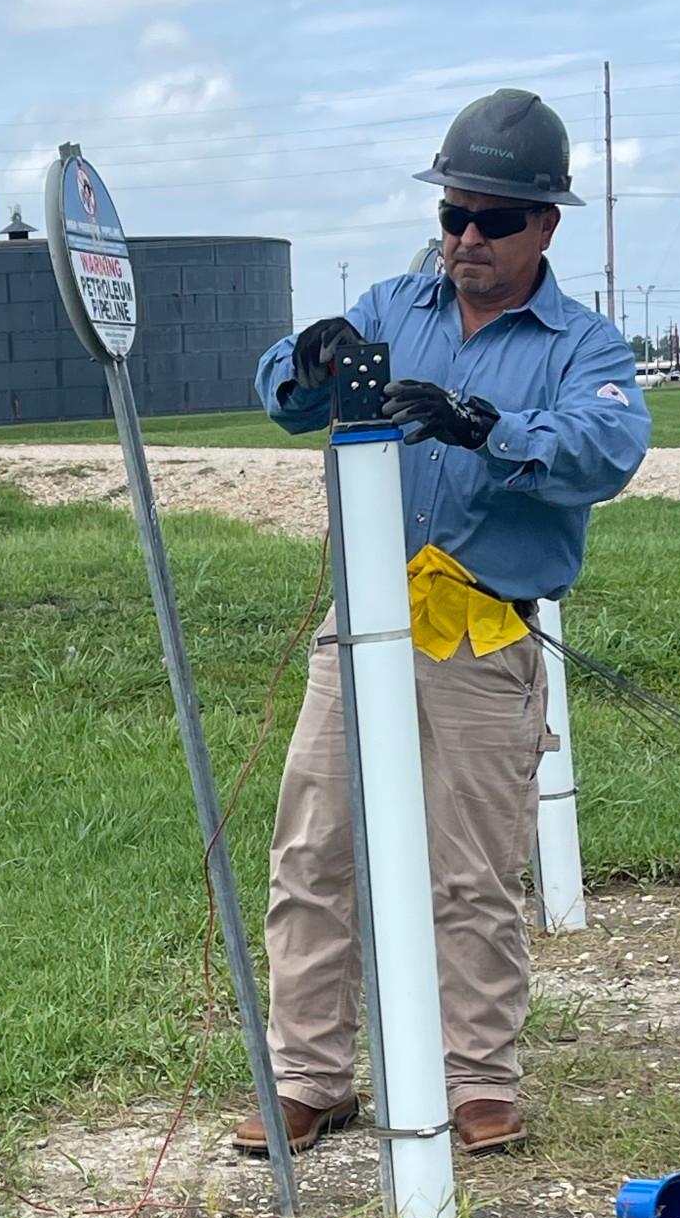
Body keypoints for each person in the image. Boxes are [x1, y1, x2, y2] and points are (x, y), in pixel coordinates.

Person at [237, 89, 651, 1160]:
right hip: (363, 626)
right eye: (454, 215)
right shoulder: (389, 304)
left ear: (546, 224)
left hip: (481, 635)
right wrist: (307, 361)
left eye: (495, 219)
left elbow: (604, 452)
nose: (467, 237)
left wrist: (482, 425)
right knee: (312, 849)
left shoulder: (586, 348)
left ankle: (476, 1083)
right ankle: (309, 1076)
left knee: (470, 871)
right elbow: (281, 393)